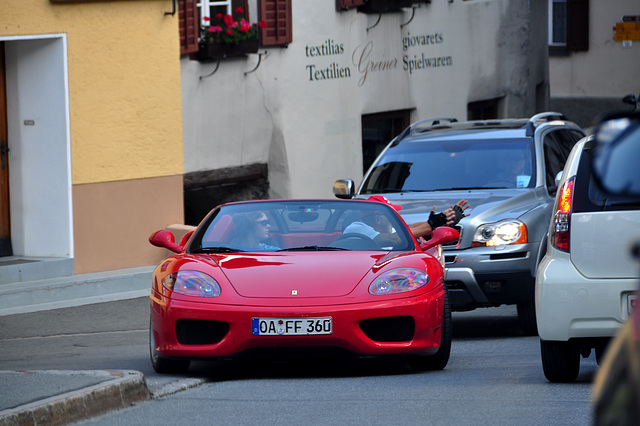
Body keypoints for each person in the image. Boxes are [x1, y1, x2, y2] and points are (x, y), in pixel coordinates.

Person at [343, 195, 469, 247]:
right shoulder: (356, 228)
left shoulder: (387, 230)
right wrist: (432, 224)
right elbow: (395, 239)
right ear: (378, 219)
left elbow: (409, 228)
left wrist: (442, 221)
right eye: (392, 214)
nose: (395, 218)